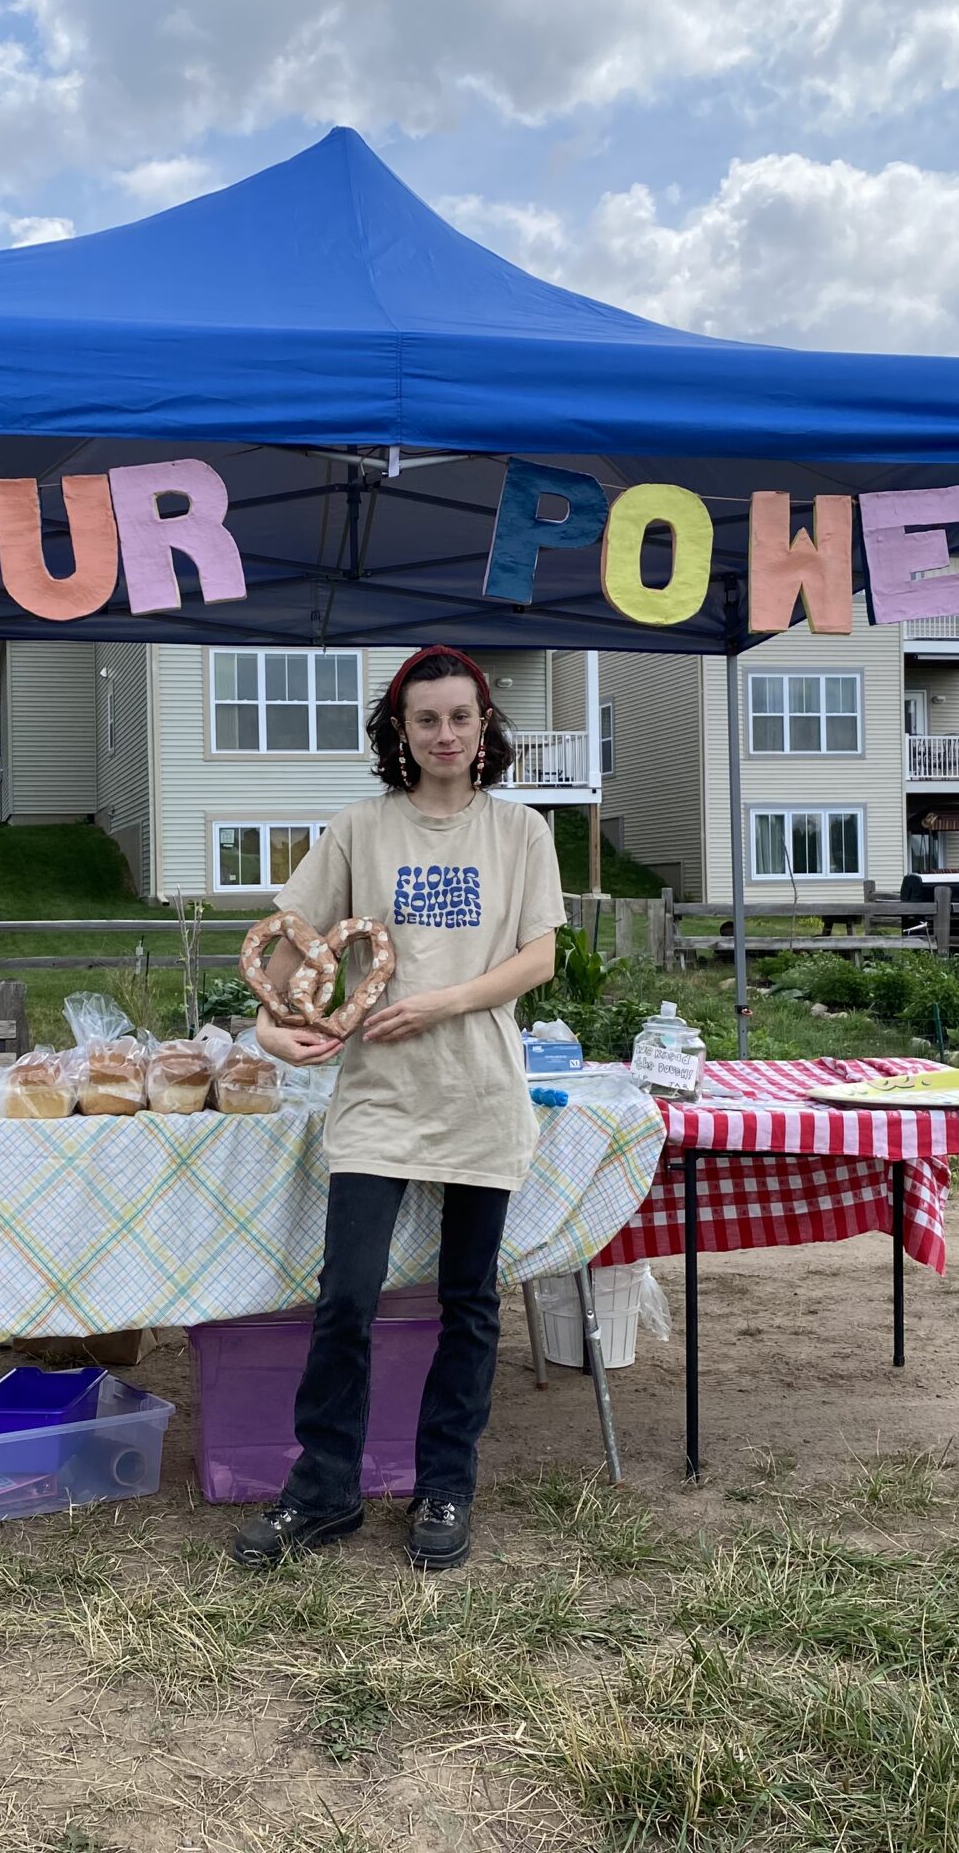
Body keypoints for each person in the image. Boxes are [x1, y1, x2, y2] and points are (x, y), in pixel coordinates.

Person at [232, 645, 565, 1572]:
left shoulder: (522, 831)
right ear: (399, 732)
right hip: (377, 1096)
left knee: (469, 1303)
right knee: (347, 1297)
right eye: (426, 719)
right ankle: (323, 1487)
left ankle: (446, 1486)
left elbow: (536, 959)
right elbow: (292, 953)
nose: (446, 734)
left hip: (481, 1093)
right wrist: (269, 1033)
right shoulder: (358, 831)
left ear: (485, 726)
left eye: (462, 717)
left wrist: (443, 999)